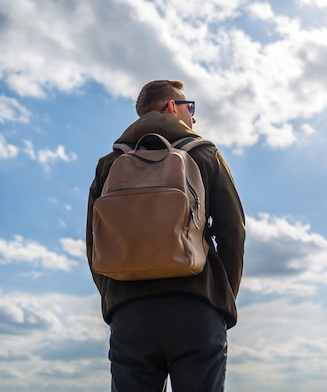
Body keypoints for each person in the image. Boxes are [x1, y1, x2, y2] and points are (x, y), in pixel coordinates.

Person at [86, 79, 245, 392]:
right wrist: (221, 297)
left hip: (129, 311)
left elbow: (94, 243)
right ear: (172, 107)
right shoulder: (204, 154)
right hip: (197, 304)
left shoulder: (109, 164)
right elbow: (232, 233)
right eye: (190, 107)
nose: (193, 117)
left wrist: (114, 297)